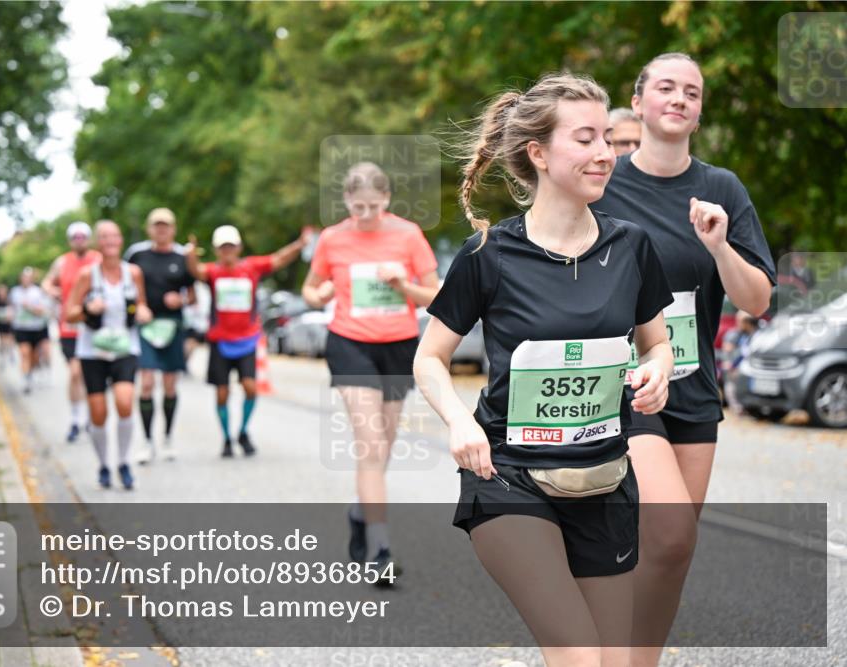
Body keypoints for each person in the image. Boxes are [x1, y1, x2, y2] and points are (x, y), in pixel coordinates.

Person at [414, 74, 674, 665]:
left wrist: (657, 371)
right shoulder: (489, 254)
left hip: (603, 479)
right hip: (509, 476)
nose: (605, 152)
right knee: (580, 655)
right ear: (538, 153)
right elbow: (429, 358)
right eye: (585, 139)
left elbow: (658, 345)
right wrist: (459, 421)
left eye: (607, 137)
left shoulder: (632, 246)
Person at [594, 52, 776, 666]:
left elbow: (758, 300)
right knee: (668, 533)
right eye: (666, 87)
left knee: (671, 552)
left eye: (691, 93)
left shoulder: (722, 189)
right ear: (637, 102)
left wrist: (720, 247)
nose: (679, 98)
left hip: (693, 389)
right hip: (625, 387)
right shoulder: (604, 182)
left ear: (698, 114)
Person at [301, 161, 440, 580]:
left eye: (373, 207)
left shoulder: (408, 235)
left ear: (386, 199)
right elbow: (309, 290)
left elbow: (435, 295)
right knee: (371, 443)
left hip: (397, 346)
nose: (365, 215)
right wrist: (321, 294)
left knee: (385, 444)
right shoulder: (333, 238)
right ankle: (380, 549)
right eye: (357, 207)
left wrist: (402, 285)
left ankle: (361, 512)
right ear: (346, 200)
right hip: (350, 343)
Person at [187, 225, 310, 458]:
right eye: (223, 247)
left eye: (231, 246)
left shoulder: (251, 268)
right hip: (220, 341)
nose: (227, 251)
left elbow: (279, 259)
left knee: (250, 387)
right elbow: (196, 271)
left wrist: (299, 245)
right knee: (222, 393)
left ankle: (243, 431)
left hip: (246, 340)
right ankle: (226, 438)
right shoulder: (213, 272)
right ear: (216, 250)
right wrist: (190, 255)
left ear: (239, 247)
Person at [65, 220, 152, 490]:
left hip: (125, 347)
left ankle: (123, 462)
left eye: (114, 235)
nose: (110, 241)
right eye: (104, 236)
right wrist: (88, 309)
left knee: (125, 402)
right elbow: (69, 314)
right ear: (97, 243)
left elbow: (142, 304)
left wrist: (144, 312)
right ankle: (104, 464)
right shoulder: (87, 275)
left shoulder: (133, 273)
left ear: (121, 240)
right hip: (93, 351)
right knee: (98, 413)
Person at [124, 208, 197, 465]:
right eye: (157, 225)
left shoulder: (182, 256)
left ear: (173, 229)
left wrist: (181, 300)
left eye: (166, 226)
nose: (161, 230)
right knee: (146, 383)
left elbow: (193, 296)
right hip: (146, 325)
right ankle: (146, 441)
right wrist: (137, 307)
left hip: (172, 325)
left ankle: (167, 437)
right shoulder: (137, 254)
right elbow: (123, 286)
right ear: (149, 228)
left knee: (169, 384)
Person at [42, 222, 102, 442]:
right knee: (76, 372)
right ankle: (77, 419)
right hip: (69, 326)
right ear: (70, 241)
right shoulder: (62, 262)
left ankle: (90, 416)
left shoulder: (98, 259)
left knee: (90, 375)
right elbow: (46, 282)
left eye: (82, 237)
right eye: (75, 237)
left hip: (93, 324)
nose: (79, 241)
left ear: (89, 239)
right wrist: (52, 290)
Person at [9, 268, 51, 394]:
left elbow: (43, 311)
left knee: (34, 356)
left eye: (28, 277)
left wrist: (29, 307)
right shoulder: (14, 292)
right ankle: (26, 381)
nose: (25, 279)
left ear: (32, 278)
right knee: (24, 353)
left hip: (36, 328)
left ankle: (31, 373)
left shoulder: (38, 292)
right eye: (24, 277)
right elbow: (12, 309)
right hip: (21, 328)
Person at [720, 310, 758, 414]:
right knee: (730, 380)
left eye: (740, 321)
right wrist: (731, 364)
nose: (738, 323)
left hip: (751, 367)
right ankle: (737, 407)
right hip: (736, 366)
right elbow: (728, 351)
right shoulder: (735, 334)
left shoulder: (756, 334)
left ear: (748, 322)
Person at [0, 283, 16, 369]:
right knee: (2, 341)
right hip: (1, 324)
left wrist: (11, 316)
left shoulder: (9, 301)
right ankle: (3, 358)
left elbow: (14, 311)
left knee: (10, 340)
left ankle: (11, 354)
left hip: (9, 324)